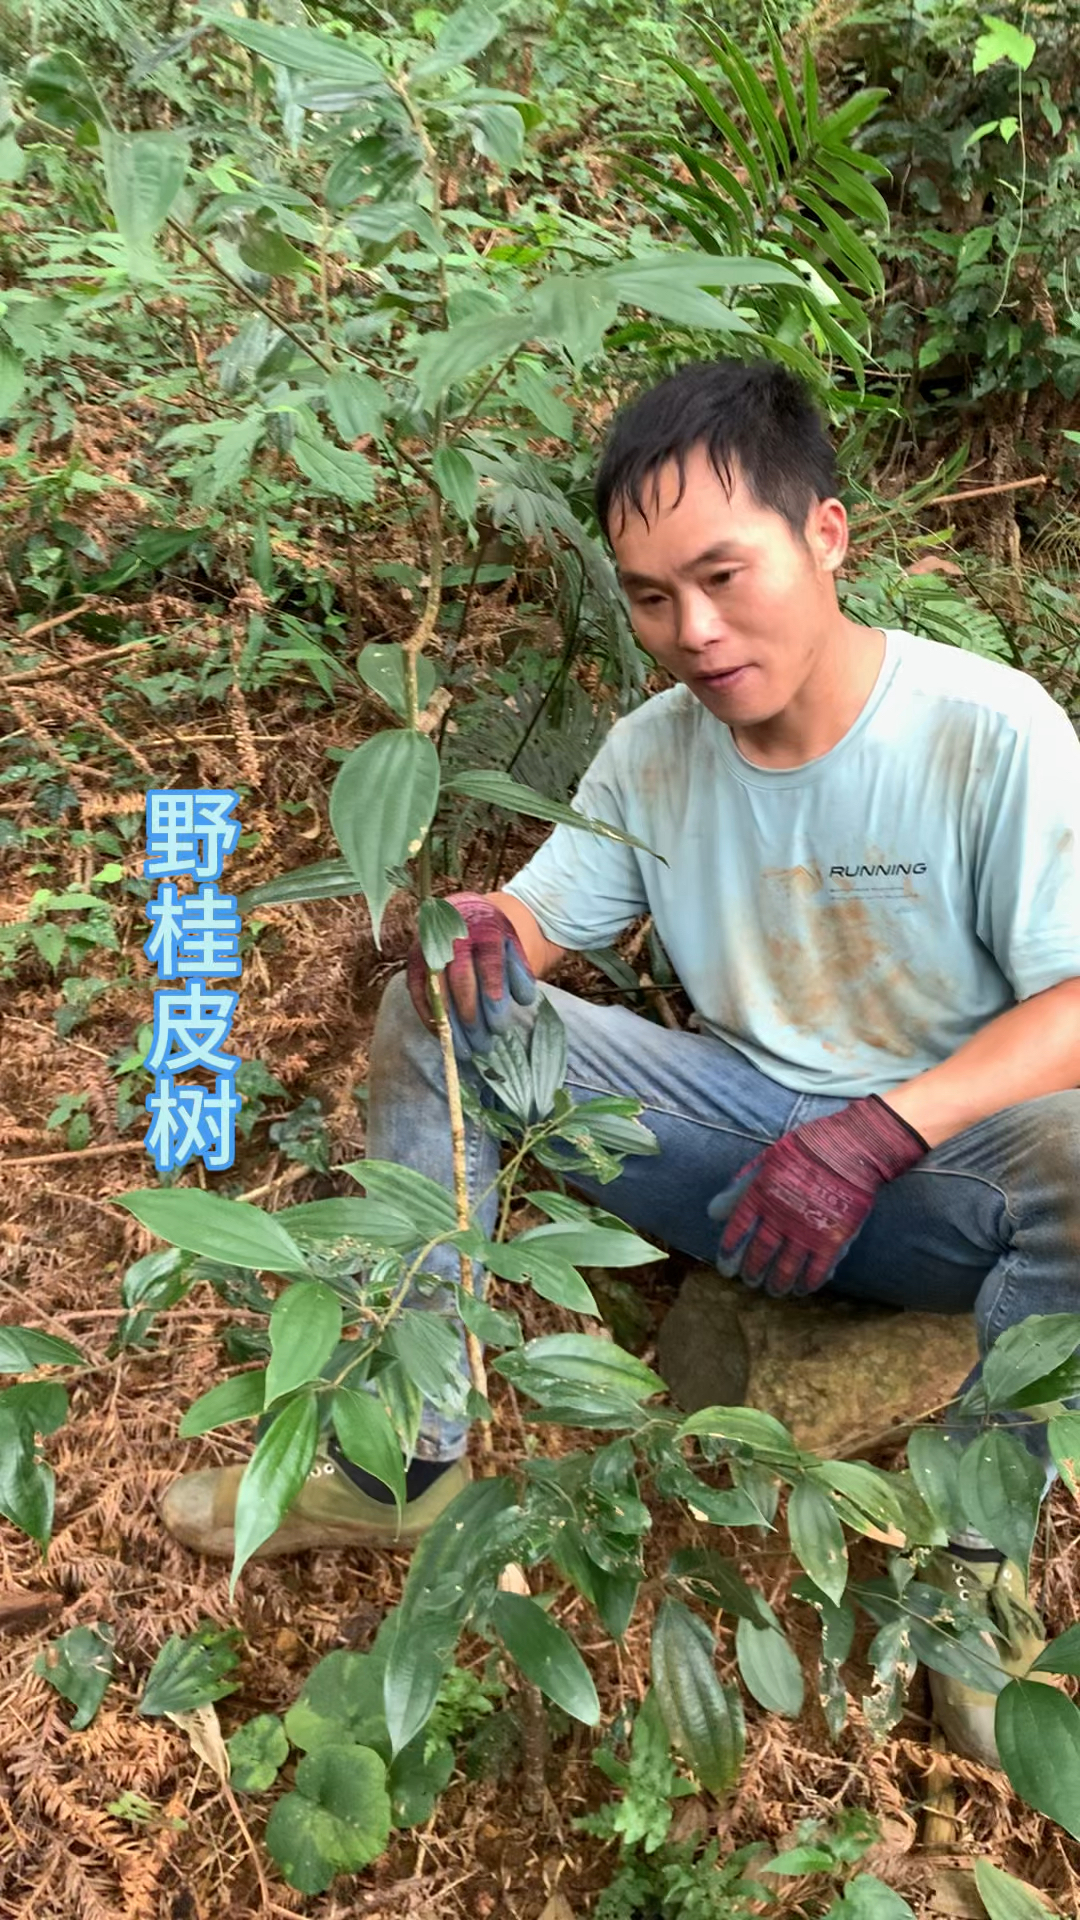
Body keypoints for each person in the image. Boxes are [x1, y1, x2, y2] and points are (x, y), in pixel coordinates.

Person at [162, 358, 1080, 1765]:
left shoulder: (987, 731)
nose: (693, 632)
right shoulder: (659, 751)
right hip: (740, 1142)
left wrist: (883, 1130)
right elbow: (545, 916)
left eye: (725, 575)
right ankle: (401, 1451)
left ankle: (973, 1561)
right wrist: (483, 931)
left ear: (826, 536)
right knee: (441, 1015)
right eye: (652, 598)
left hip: (949, 1183)